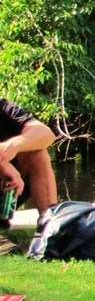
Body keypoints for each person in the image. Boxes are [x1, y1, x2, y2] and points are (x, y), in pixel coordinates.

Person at [0, 98, 57, 254]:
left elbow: (46, 134)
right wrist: (3, 165)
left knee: (35, 151)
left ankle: (51, 226)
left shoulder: (3, 107)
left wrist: (13, 146)